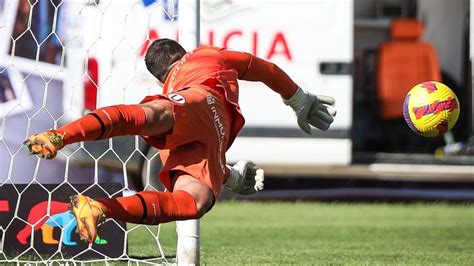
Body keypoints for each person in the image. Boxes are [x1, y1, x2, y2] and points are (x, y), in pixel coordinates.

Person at [23, 39, 336, 243]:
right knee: (154, 114)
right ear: (182, 55)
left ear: (160, 76)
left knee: (195, 201)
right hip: (198, 102)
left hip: (202, 132)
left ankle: (98, 207)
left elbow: (207, 146)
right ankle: (59, 136)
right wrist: (296, 98)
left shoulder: (176, 83)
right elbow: (262, 68)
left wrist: (228, 175)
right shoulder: (206, 55)